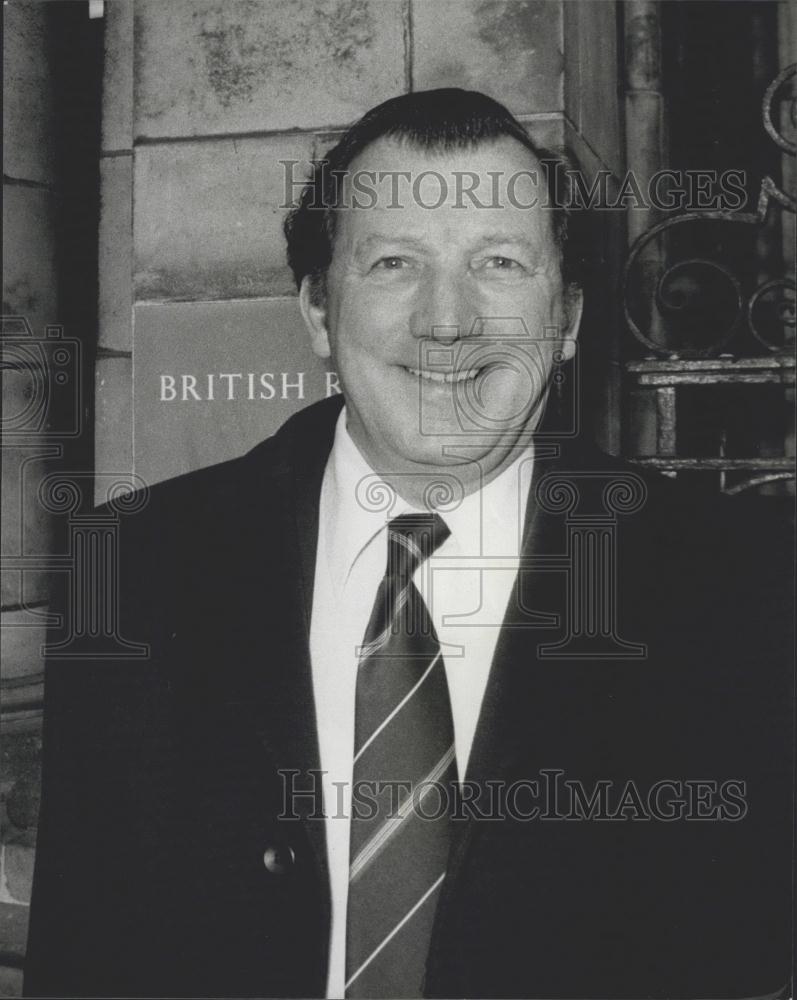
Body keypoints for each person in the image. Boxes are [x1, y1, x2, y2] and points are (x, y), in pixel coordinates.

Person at [25, 89, 792, 999]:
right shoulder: (133, 569)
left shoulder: (739, 584)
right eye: (393, 263)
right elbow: (85, 954)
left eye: (500, 263)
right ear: (316, 311)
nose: (447, 319)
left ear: (571, 318)